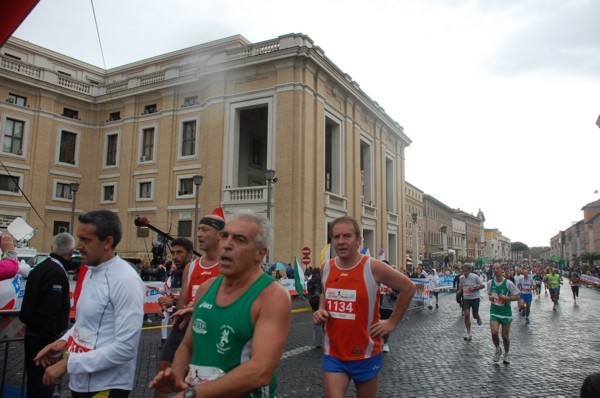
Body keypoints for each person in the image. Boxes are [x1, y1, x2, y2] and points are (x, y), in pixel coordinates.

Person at [149, 209, 291, 397]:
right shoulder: (206, 289)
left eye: (239, 239)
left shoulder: (272, 296)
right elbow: (187, 346)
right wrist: (175, 375)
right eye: (224, 236)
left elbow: (260, 372)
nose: (227, 245)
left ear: (260, 253)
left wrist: (193, 395)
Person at [33, 210, 145, 397]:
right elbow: (86, 323)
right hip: (81, 382)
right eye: (79, 239)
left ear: (107, 242)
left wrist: (68, 364)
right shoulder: (91, 270)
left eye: (86, 240)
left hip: (107, 385)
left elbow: (126, 348)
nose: (78, 246)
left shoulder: (126, 280)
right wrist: (63, 341)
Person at [312, 216, 416, 398]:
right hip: (333, 354)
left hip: (366, 353)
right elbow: (325, 293)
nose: (341, 241)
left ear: (358, 240)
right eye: (336, 237)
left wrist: (392, 322)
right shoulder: (326, 267)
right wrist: (321, 309)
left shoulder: (372, 266)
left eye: (347, 236)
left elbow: (408, 287)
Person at [156, 211, 224, 398]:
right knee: (164, 372)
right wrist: (183, 307)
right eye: (199, 230)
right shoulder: (192, 266)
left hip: (212, 327)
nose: (199, 234)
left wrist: (200, 309)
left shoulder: (227, 265)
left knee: (203, 381)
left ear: (219, 235)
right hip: (185, 325)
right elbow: (183, 299)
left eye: (204, 229)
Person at [19, 232, 75, 398]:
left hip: (34, 333)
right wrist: (50, 343)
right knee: (42, 385)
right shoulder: (55, 272)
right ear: (71, 252)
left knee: (36, 384)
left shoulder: (41, 267)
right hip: (42, 338)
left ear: (52, 247)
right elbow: (50, 311)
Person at [487, 263, 520, 364]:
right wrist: (491, 298)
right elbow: (489, 294)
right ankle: (498, 349)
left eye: (497, 268)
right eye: (494, 268)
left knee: (505, 336)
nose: (495, 270)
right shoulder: (490, 283)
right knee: (494, 332)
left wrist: (507, 298)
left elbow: (517, 296)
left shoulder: (508, 283)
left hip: (505, 312)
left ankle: (506, 353)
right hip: (495, 311)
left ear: (501, 270)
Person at [457, 264, 485, 341]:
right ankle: (469, 333)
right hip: (466, 298)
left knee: (474, 315)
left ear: (469, 270)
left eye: (466, 271)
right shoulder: (461, 277)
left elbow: (482, 286)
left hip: (475, 298)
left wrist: (475, 288)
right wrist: (460, 290)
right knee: (466, 315)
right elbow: (461, 285)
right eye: (463, 271)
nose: (464, 272)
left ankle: (477, 317)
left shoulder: (475, 277)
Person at [379, 260, 399, 352]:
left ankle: (385, 343)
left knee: (385, 326)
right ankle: (377, 342)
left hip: (387, 306)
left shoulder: (393, 280)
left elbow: (399, 295)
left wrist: (391, 292)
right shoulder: (375, 278)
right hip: (376, 306)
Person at [307, 267, 324, 348]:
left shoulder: (309, 282)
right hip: (322, 303)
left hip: (313, 304)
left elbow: (309, 292)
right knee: (326, 323)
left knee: (317, 323)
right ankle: (327, 340)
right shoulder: (322, 280)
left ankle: (318, 342)